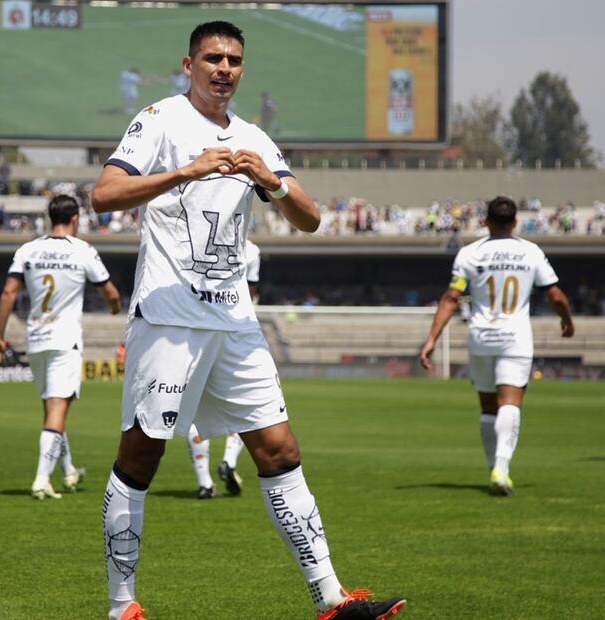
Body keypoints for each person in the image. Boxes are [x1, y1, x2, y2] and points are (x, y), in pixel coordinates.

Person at [90, 21, 405, 620]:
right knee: (141, 457)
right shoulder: (159, 120)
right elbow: (103, 195)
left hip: (235, 321)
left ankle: (331, 599)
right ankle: (121, 605)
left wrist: (270, 182)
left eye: (234, 60)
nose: (224, 69)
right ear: (189, 65)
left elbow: (310, 218)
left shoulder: (255, 136)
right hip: (170, 318)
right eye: (213, 58)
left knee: (280, 450)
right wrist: (186, 171)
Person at [420, 195, 575, 496]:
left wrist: (431, 339)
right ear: (515, 222)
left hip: (481, 337)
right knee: (510, 402)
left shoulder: (470, 253)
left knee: (488, 406)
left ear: (486, 221)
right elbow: (554, 295)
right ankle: (501, 469)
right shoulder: (530, 251)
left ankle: (493, 465)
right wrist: (567, 320)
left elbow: (451, 298)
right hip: (515, 337)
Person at [0, 194, 122, 499]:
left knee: (52, 408)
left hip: (36, 339)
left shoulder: (28, 249)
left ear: (50, 217)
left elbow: (8, 293)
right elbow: (112, 293)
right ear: (75, 218)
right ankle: (41, 480)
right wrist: (114, 307)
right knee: (57, 409)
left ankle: (69, 470)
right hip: (65, 340)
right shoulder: (82, 250)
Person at [186, 238, 261, 499]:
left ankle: (205, 483)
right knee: (245, 405)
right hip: (233, 335)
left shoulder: (191, 238)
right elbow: (249, 293)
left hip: (194, 333)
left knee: (196, 410)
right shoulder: (252, 250)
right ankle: (229, 460)